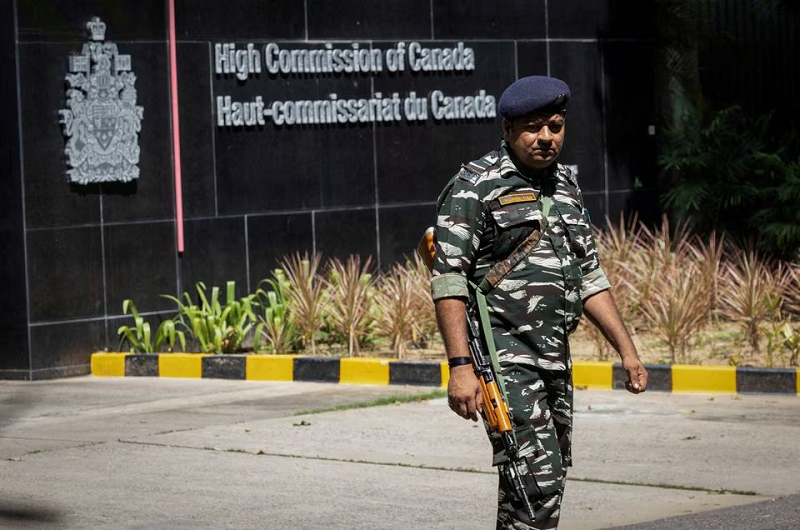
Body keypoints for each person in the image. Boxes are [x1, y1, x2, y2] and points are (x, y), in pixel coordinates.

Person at [430, 75, 649, 529]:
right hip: (503, 360)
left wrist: (627, 352)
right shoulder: (477, 185)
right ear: (508, 128)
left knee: (531, 490)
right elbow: (449, 279)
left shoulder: (565, 186)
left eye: (555, 125)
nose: (546, 138)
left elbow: (590, 275)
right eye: (533, 127)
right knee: (537, 483)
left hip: (553, 357)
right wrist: (459, 367)